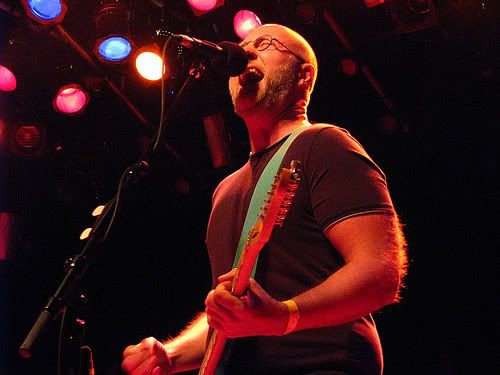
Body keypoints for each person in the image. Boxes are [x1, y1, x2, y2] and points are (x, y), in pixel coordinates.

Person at [121, 24, 407, 375]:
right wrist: (171, 355)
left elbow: (380, 272)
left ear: (304, 76)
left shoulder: (324, 144)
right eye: (243, 46)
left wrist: (284, 316)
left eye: (265, 44)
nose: (247, 53)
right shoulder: (225, 189)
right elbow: (231, 315)